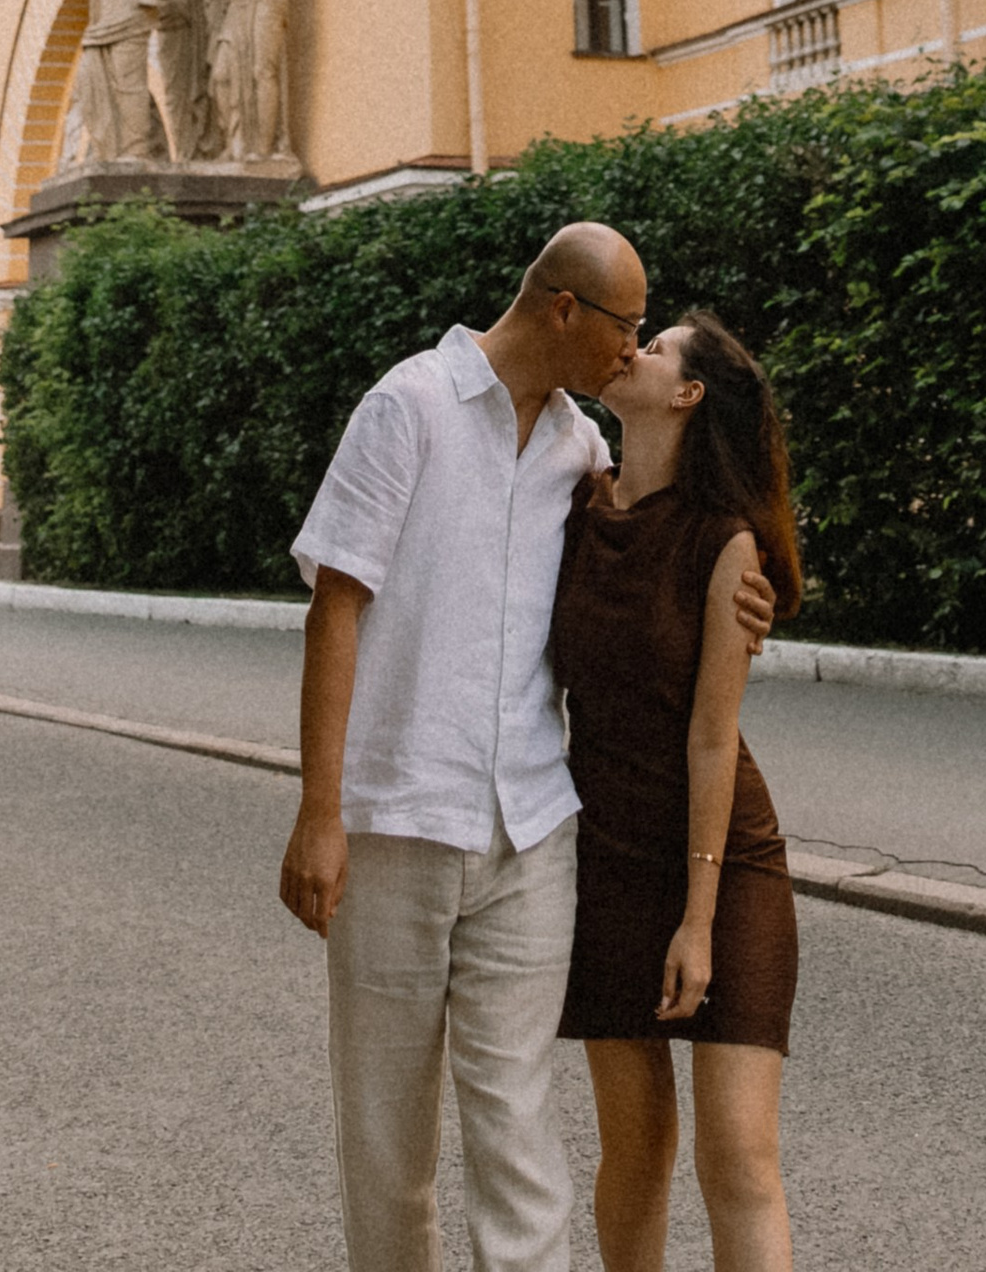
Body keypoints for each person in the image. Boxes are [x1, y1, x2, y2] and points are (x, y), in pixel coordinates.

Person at [279, 224, 770, 1272]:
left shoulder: (576, 449)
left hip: (532, 832)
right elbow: (335, 610)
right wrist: (319, 811)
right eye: (624, 328)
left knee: (518, 1129)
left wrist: (748, 585)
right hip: (397, 822)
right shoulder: (405, 408)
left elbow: (664, 528)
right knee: (386, 1134)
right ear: (563, 311)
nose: (629, 353)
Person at [555, 313, 802, 1272]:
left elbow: (711, 740)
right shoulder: (574, 507)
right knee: (637, 1148)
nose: (633, 350)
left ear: (690, 394)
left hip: (725, 864)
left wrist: (697, 921)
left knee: (736, 1155)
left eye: (655, 348)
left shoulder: (725, 544)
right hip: (606, 857)